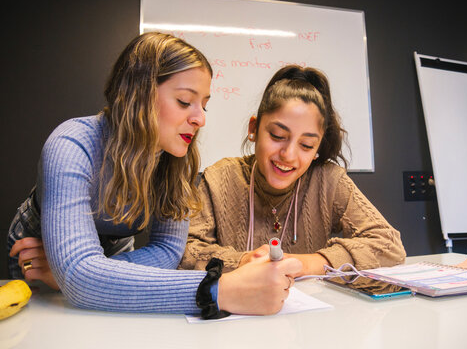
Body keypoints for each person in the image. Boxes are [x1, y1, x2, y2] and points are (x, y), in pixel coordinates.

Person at [7, 32, 301, 317]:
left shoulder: (178, 159)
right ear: (138, 95)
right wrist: (217, 290)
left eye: (204, 105)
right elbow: (79, 279)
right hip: (36, 261)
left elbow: (168, 250)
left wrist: (92, 271)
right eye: (185, 102)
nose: (200, 118)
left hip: (100, 261)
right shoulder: (71, 145)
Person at [179, 65, 406, 274]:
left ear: (317, 148)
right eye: (277, 136)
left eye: (306, 145)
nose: (288, 154)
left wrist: (308, 263)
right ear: (254, 129)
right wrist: (243, 261)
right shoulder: (220, 178)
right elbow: (186, 252)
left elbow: (390, 245)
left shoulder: (328, 180)